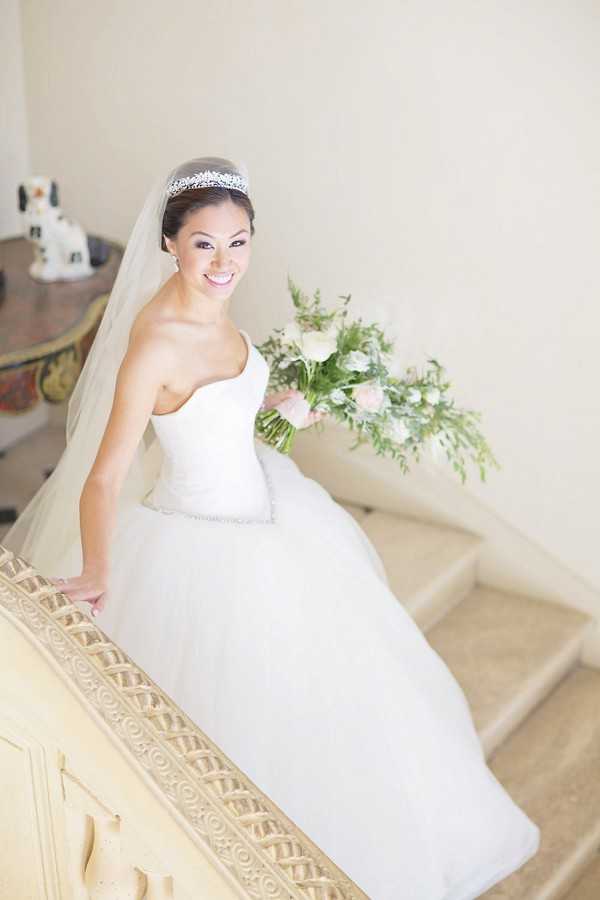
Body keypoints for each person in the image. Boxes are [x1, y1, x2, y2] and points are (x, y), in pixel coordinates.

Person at [3, 156, 540, 899]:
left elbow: (207, 412)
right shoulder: (154, 340)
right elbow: (104, 474)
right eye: (203, 245)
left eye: (238, 242)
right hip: (197, 543)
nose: (224, 263)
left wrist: (274, 408)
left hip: (268, 513)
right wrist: (97, 571)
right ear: (170, 244)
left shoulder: (210, 305)